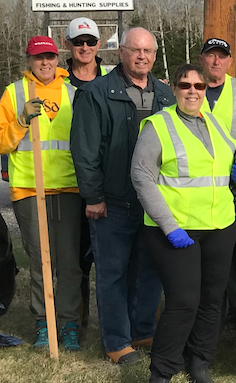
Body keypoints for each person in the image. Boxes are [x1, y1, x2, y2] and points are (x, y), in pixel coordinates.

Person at [131, 63, 236, 383]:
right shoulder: (158, 126)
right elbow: (142, 178)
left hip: (219, 225)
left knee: (212, 300)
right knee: (184, 301)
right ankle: (162, 371)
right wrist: (170, 226)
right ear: (174, 90)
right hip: (176, 230)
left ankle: (199, 362)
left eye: (199, 86)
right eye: (186, 86)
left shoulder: (215, 122)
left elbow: (228, 159)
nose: (193, 91)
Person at [72, 27, 175, 365]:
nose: (141, 56)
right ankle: (116, 341)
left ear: (155, 56)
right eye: (135, 50)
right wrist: (93, 196)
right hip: (113, 200)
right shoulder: (97, 92)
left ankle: (143, 328)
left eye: (148, 51)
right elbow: (85, 151)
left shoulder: (165, 94)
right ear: (122, 53)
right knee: (112, 272)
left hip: (153, 201)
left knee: (149, 269)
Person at [0, 36, 85, 352]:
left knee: (69, 262)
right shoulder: (15, 93)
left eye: (50, 57)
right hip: (30, 189)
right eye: (38, 57)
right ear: (29, 61)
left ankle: (69, 324)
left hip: (69, 188)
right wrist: (20, 120)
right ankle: (44, 324)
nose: (45, 63)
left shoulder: (74, 92)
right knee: (41, 261)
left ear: (58, 58)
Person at [197, 38, 236, 142]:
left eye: (222, 57)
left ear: (230, 62)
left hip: (232, 158)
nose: (216, 62)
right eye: (211, 55)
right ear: (201, 59)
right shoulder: (187, 88)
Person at [64, 17, 107, 87]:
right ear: (67, 44)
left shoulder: (113, 79)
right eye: (78, 42)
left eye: (91, 42)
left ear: (98, 44)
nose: (85, 48)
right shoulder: (58, 83)